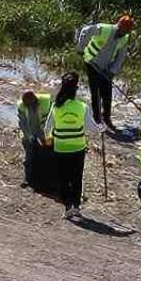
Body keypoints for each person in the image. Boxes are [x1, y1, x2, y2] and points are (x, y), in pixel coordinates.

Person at [42, 72, 102, 219]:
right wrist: (102, 127)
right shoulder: (82, 106)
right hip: (78, 148)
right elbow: (92, 128)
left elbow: (47, 128)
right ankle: (76, 206)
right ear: (76, 90)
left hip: (61, 148)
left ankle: (68, 206)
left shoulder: (56, 106)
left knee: (63, 178)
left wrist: (49, 139)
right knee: (77, 178)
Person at [76, 15, 133, 129]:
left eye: (127, 31)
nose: (125, 33)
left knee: (107, 93)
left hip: (106, 68)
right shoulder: (103, 28)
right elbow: (85, 31)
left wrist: (112, 71)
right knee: (95, 92)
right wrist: (81, 49)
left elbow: (120, 57)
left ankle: (106, 118)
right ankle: (97, 119)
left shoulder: (125, 38)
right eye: (124, 29)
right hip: (91, 62)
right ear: (119, 25)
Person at [16, 89, 51, 189]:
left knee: (46, 153)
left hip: (43, 131)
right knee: (29, 156)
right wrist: (29, 136)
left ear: (34, 100)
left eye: (30, 103)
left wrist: (45, 137)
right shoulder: (22, 106)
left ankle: (43, 179)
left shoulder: (46, 103)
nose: (28, 105)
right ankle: (28, 179)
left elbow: (50, 120)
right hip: (29, 133)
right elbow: (23, 123)